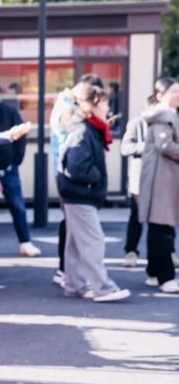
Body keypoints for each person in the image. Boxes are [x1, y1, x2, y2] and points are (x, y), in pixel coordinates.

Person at [57, 83, 131, 302]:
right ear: (95, 104)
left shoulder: (83, 127)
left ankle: (74, 285)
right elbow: (77, 167)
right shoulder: (83, 130)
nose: (109, 107)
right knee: (93, 241)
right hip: (81, 194)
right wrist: (96, 177)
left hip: (75, 194)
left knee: (75, 244)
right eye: (106, 102)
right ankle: (103, 288)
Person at [0, 79, 41, 258]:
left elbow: (21, 138)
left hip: (7, 167)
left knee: (17, 204)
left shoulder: (9, 111)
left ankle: (25, 242)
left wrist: (16, 161)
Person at [49, 74, 104, 287]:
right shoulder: (68, 110)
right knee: (74, 226)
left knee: (72, 226)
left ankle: (69, 275)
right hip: (70, 175)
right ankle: (67, 272)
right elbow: (71, 131)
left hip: (65, 171)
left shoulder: (65, 103)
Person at [139, 77, 179, 293]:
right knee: (163, 229)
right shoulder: (162, 116)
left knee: (159, 228)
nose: (178, 94)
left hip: (164, 178)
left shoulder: (165, 115)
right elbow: (166, 145)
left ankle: (154, 272)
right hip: (162, 179)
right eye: (173, 91)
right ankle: (165, 277)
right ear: (160, 95)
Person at [120, 95, 157, 267]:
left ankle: (168, 253)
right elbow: (125, 148)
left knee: (163, 219)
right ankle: (131, 251)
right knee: (137, 216)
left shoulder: (171, 122)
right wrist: (147, 146)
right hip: (139, 177)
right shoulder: (135, 124)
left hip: (161, 177)